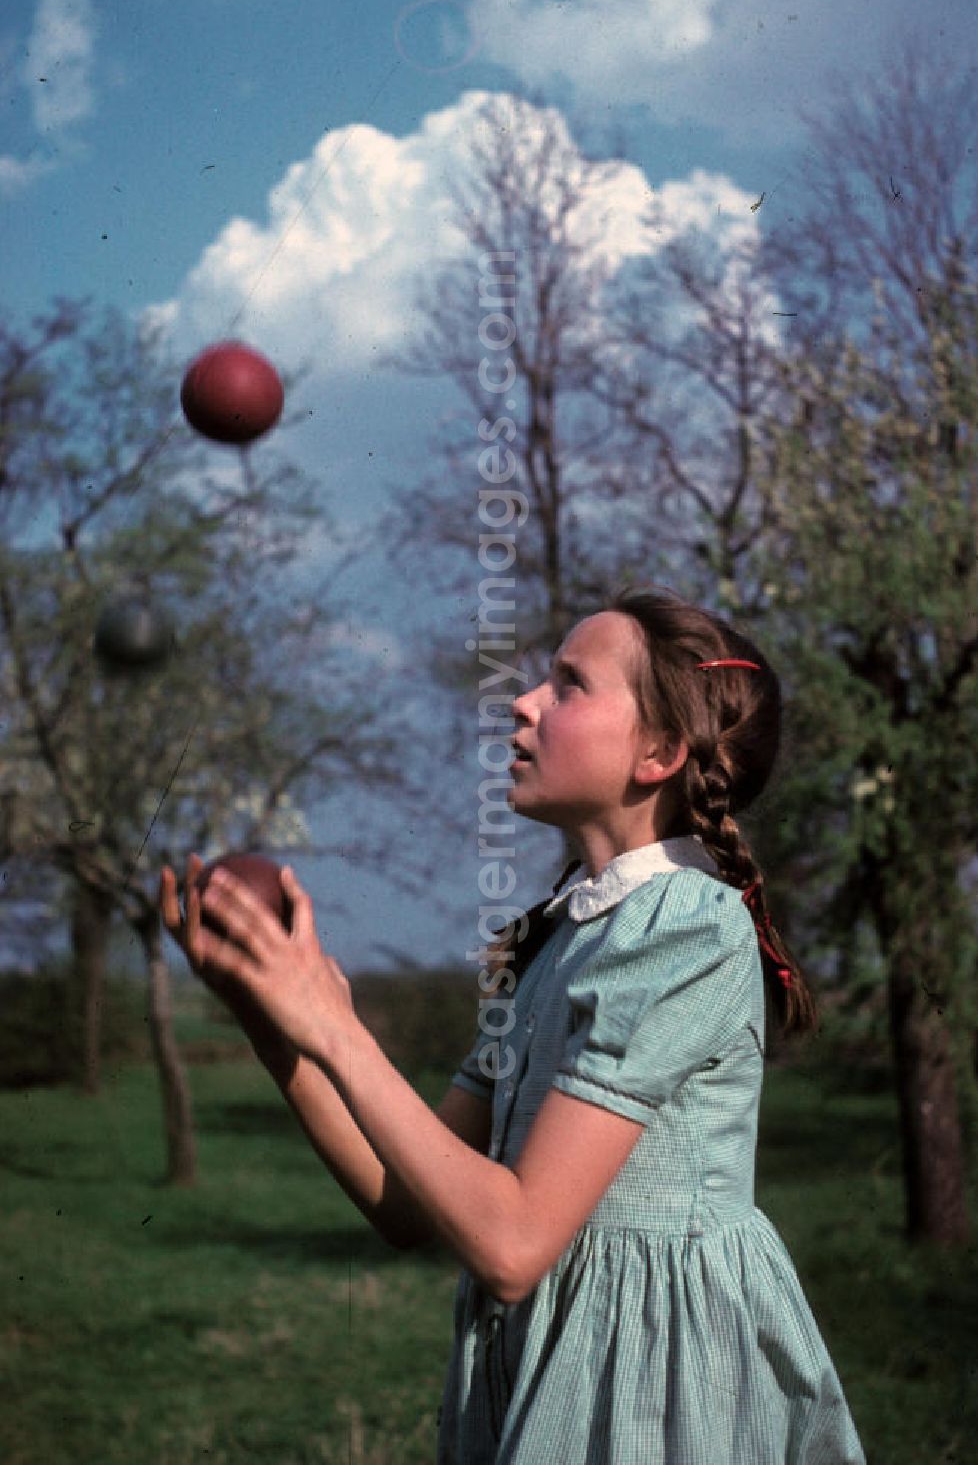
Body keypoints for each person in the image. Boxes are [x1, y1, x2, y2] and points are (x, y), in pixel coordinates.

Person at [160, 586, 867, 1464]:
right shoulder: (552, 936)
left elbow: (512, 1244)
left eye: (570, 684)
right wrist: (278, 1024)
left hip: (653, 1384)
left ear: (658, 751)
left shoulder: (688, 926)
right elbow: (405, 1201)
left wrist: (337, 1027)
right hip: (547, 1362)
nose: (525, 702)